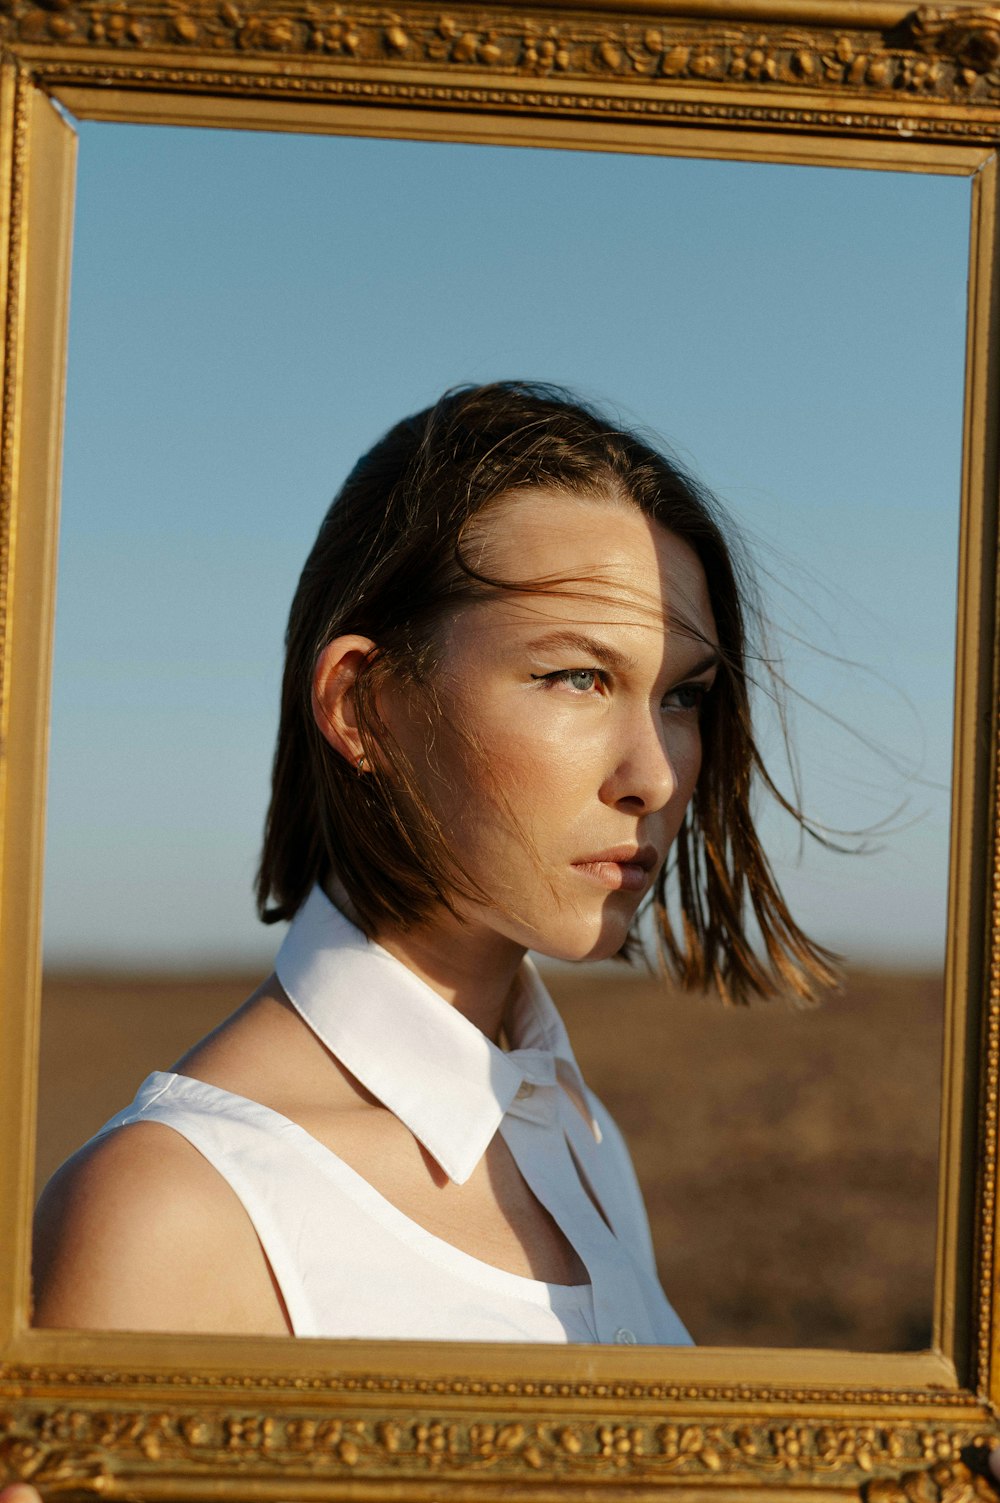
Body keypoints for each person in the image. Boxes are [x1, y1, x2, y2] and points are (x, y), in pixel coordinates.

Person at [30, 381, 835, 1343]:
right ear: (361, 704)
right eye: (577, 676)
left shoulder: (575, 1135)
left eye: (682, 695)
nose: (656, 775)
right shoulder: (173, 1209)